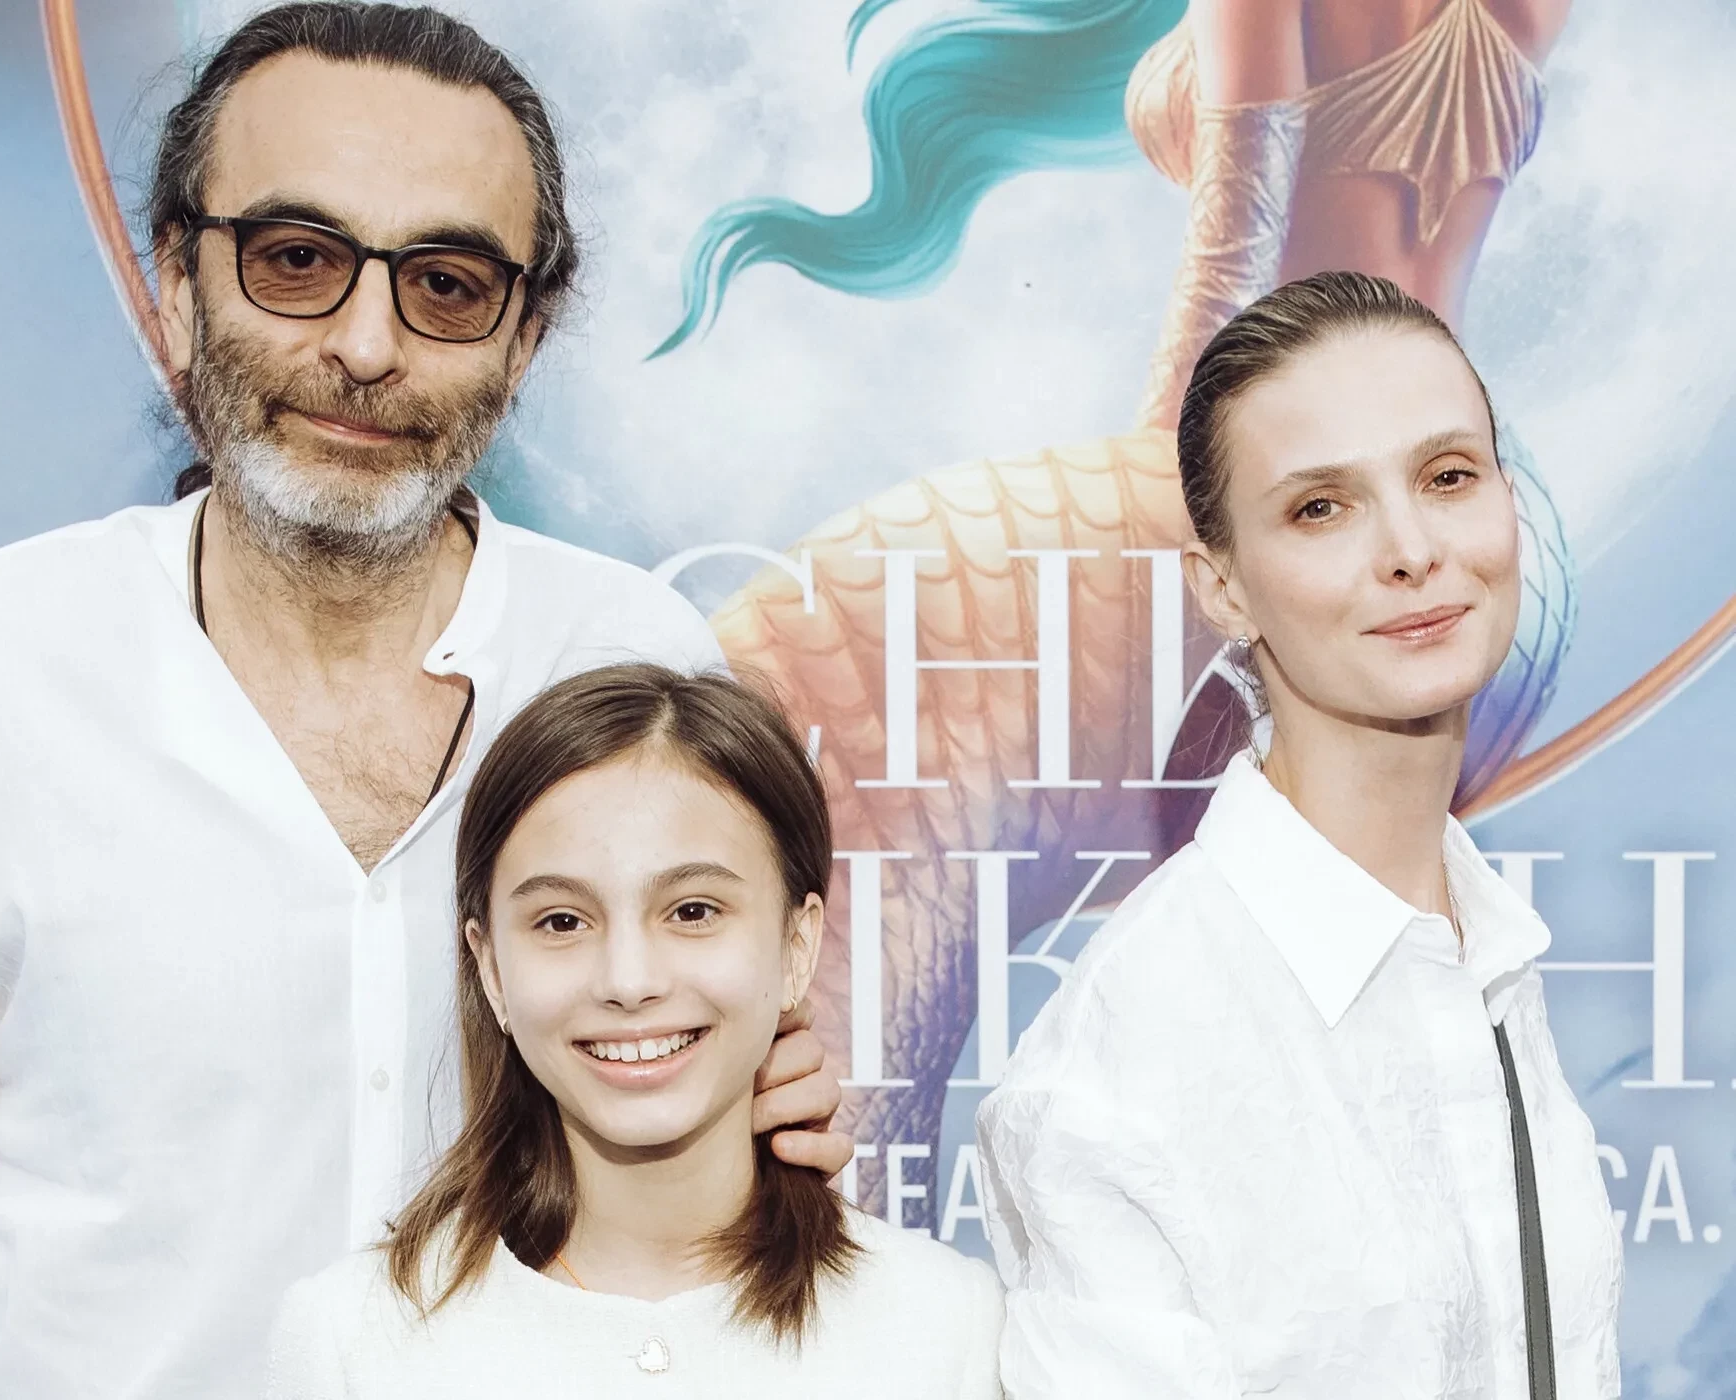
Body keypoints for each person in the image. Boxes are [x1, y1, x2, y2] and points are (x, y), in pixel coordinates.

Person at [0, 7, 845, 1398]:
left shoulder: (632, 658)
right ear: (177, 281)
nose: (367, 345)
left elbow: (736, 1144)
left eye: (447, 284)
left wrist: (761, 1122)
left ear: (524, 339)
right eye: (298, 260)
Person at [644, 0, 1578, 1165]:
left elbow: (1240, 239)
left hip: (1303, 516)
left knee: (826, 676)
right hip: (1480, 531)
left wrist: (1190, 506)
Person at [976, 270, 1622, 1397]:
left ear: (1508, 503)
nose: (1411, 548)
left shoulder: (1491, 953)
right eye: (1321, 507)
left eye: (1448, 476)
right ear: (1223, 589)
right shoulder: (1126, 1068)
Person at [264, 663, 1003, 1397]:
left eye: (692, 911)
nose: (628, 980)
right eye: (562, 921)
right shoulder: (354, 1343)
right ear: (490, 969)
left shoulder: (944, 1330)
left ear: (797, 945)